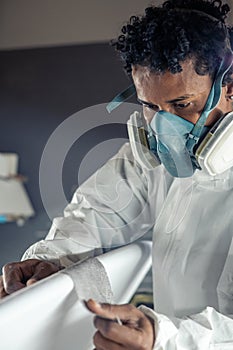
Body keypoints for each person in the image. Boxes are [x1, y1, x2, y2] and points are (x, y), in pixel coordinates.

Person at [1, 0, 233, 348]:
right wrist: (47, 261)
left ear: (228, 88)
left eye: (182, 105)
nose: (164, 126)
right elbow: (93, 216)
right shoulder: (154, 164)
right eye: (151, 106)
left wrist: (163, 337)